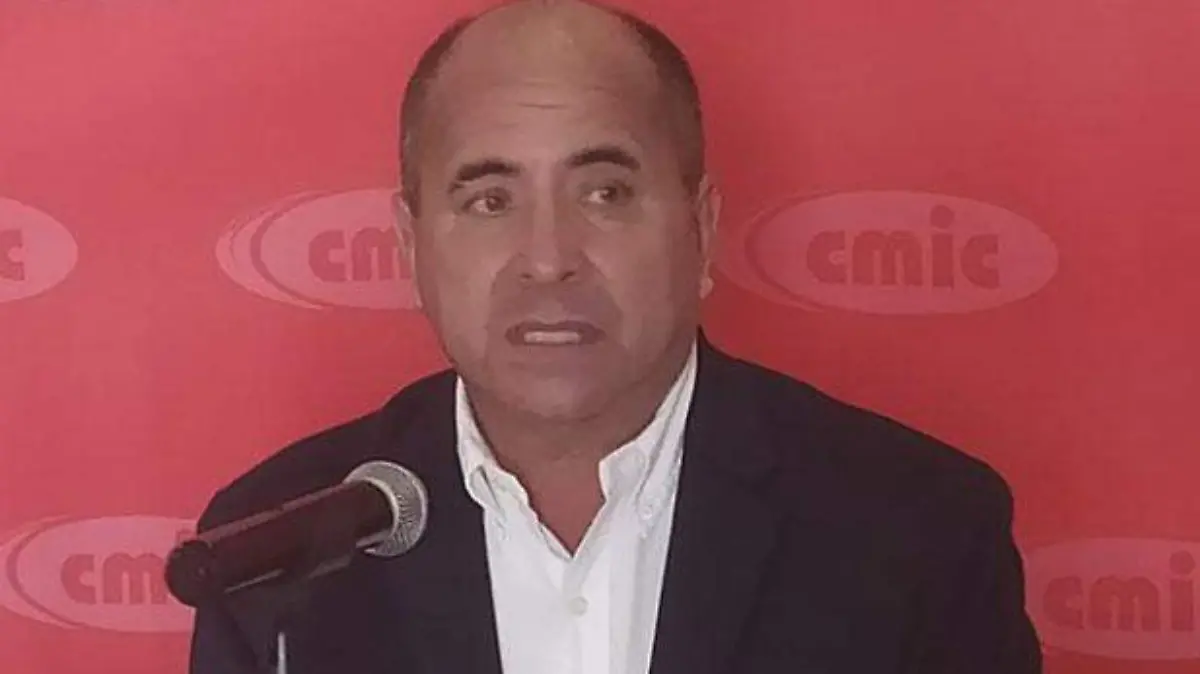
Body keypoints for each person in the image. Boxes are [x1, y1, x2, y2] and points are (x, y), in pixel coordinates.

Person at [188, 1, 1043, 672]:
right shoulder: (276, 546)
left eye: (605, 193)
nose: (549, 258)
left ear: (701, 230)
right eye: (489, 200)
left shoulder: (919, 530)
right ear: (411, 249)